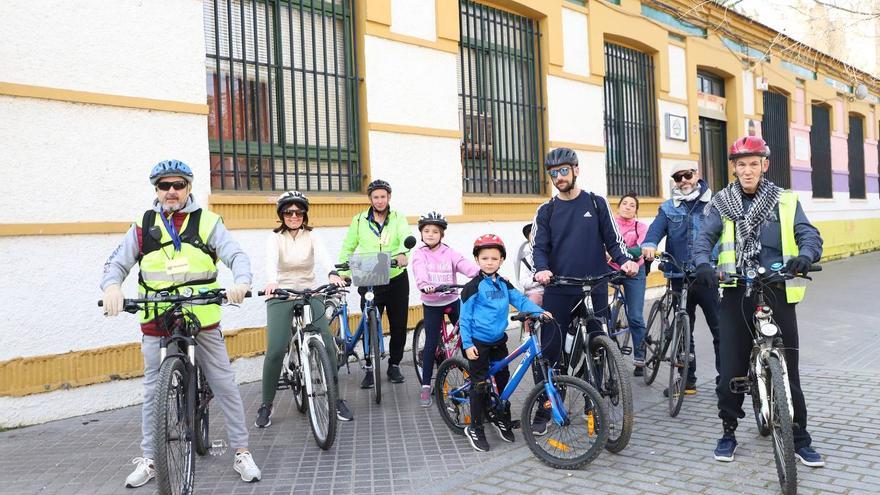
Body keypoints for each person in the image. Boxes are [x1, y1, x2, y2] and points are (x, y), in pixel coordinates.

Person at [100, 160, 261, 487]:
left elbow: (236, 256)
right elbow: (116, 262)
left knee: (224, 382)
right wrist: (112, 286)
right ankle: (150, 459)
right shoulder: (143, 224)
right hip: (157, 316)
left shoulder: (207, 221)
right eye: (164, 186)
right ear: (156, 190)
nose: (171, 191)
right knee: (152, 389)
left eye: (177, 185)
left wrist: (241, 283)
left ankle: (242, 451)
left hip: (200, 317)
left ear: (188, 188)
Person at [693, 136, 825, 466]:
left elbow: (808, 234)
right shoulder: (721, 203)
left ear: (764, 165)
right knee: (729, 372)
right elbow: (702, 240)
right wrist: (703, 266)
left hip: (777, 288)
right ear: (734, 169)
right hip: (736, 290)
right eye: (742, 164)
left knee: (789, 372)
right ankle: (728, 431)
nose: (748, 170)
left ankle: (799, 438)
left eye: (754, 163)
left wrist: (805, 257)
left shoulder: (785, 200)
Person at [531, 147, 638, 434]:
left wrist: (625, 261)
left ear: (576, 170)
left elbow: (613, 241)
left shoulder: (596, 202)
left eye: (564, 171)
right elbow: (538, 248)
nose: (558, 177)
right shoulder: (547, 210)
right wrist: (541, 270)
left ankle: (595, 403)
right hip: (560, 287)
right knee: (551, 350)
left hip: (595, 286)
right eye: (553, 173)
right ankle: (546, 404)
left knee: (600, 344)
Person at [255, 191, 353, 428]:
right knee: (277, 348)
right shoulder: (275, 238)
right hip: (282, 292)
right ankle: (266, 404)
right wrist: (271, 282)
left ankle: (336, 397)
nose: (294, 216)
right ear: (281, 215)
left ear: (304, 214)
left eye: (298, 212)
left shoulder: (312, 235)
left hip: (310, 290)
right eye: (288, 212)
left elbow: (324, 257)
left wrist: (332, 273)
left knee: (327, 342)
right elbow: (270, 262)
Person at [460, 235, 549, 452]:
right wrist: (467, 343)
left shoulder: (503, 284)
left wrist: (540, 311)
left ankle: (501, 418)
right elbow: (464, 318)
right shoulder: (473, 287)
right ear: (477, 259)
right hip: (478, 344)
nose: (489, 262)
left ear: (501, 261)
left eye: (494, 258)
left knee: (503, 380)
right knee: (479, 385)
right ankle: (475, 427)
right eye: (484, 258)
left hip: (498, 341)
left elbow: (520, 300)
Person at [641, 163, 721, 394]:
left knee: (719, 328)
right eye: (678, 177)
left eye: (687, 175)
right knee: (683, 329)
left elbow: (726, 234)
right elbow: (656, 229)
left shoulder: (714, 203)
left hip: (707, 275)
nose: (683, 180)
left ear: (697, 175)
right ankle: (687, 379)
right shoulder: (668, 207)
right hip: (679, 275)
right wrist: (649, 244)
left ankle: (723, 379)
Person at [338, 179, 412, 388]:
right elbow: (348, 246)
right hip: (369, 275)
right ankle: (370, 368)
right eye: (375, 197)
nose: (379, 200)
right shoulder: (359, 220)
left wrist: (404, 253)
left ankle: (394, 364)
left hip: (395, 275)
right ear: (370, 199)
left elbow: (406, 238)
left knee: (398, 324)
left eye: (383, 196)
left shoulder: (398, 218)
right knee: (369, 323)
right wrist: (342, 272)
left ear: (389, 197)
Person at [410, 211, 479, 407]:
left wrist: (480, 274)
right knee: (431, 342)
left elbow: (464, 264)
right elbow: (419, 271)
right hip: (432, 303)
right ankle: (425, 385)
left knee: (467, 335)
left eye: (435, 231)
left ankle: (473, 375)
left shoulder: (449, 252)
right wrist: (425, 285)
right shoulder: (419, 254)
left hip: (451, 300)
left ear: (442, 234)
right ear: (421, 233)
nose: (430, 234)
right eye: (426, 231)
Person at [608, 192, 649, 376]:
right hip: (611, 269)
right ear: (618, 207)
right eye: (624, 203)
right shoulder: (610, 224)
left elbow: (639, 250)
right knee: (600, 313)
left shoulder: (641, 226)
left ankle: (640, 358)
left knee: (635, 316)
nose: (627, 207)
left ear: (636, 211)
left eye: (632, 205)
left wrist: (615, 251)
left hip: (635, 271)